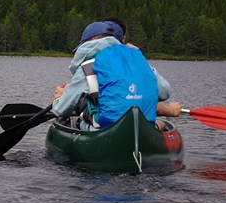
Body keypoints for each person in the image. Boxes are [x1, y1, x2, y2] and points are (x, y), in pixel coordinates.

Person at [52, 21, 180, 131]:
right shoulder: (137, 60)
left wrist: (59, 99)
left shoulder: (88, 65)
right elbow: (164, 93)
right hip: (143, 127)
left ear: (88, 43)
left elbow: (61, 109)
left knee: (79, 120)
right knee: (161, 123)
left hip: (106, 130)